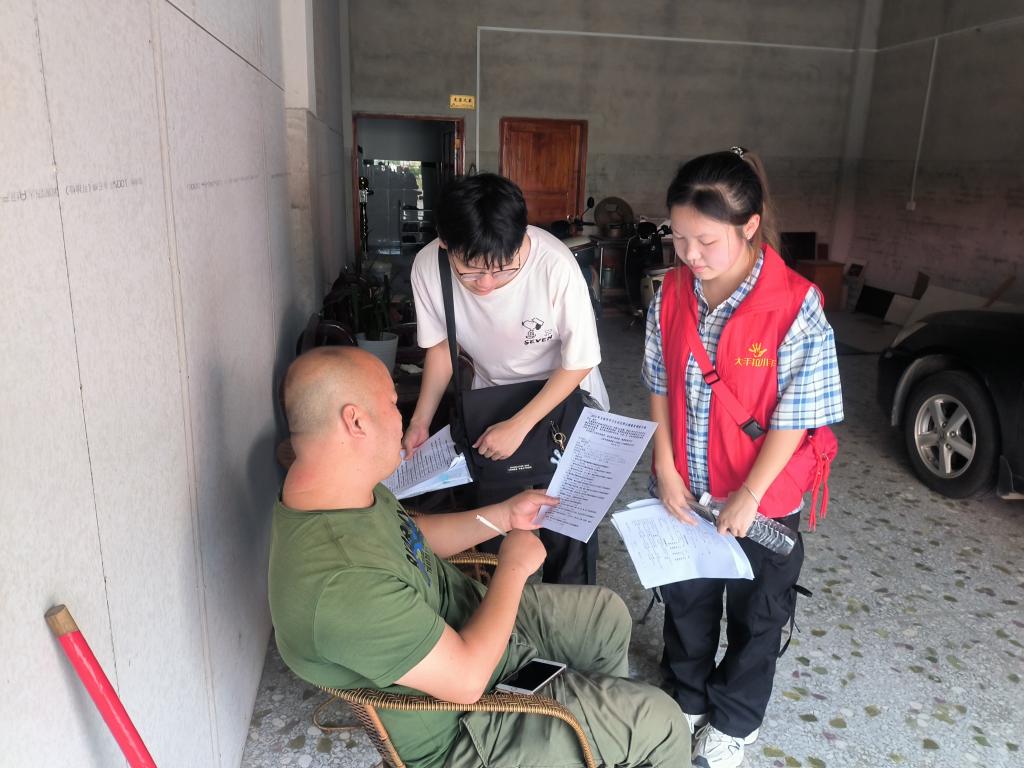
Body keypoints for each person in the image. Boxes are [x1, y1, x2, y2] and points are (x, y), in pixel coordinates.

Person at [268, 346, 690, 768]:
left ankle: (598, 745)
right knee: (664, 723)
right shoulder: (341, 586)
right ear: (355, 421)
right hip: (467, 725)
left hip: (474, 624)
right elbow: (468, 680)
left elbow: (411, 536)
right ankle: (609, 734)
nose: (402, 418)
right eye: (393, 404)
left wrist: (503, 516)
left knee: (605, 616)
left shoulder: (340, 487)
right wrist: (513, 567)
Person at [642, 148, 844, 768]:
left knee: (758, 612)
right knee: (688, 596)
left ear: (750, 225)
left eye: (706, 240)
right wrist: (665, 468)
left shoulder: (795, 304)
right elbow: (659, 384)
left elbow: (796, 415)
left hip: (763, 496)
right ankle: (688, 696)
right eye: (678, 237)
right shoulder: (671, 292)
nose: (690, 255)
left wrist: (749, 496)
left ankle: (735, 720)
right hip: (689, 484)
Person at [403, 173, 609, 585]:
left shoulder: (554, 264)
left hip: (564, 403)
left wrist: (521, 424)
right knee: (496, 529)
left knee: (568, 533)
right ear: (444, 243)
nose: (486, 284)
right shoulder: (429, 267)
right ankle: (501, 618)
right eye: (471, 272)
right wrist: (420, 422)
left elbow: (580, 361)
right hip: (492, 406)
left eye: (502, 270)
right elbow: (442, 348)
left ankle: (569, 617)